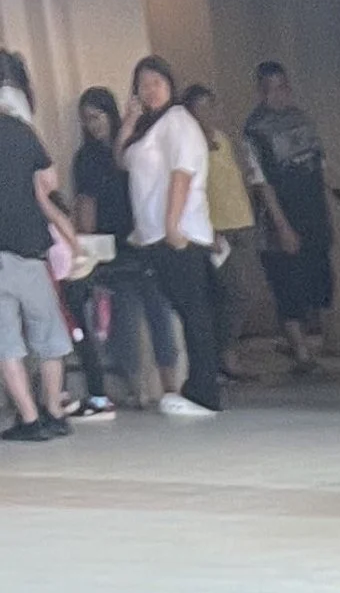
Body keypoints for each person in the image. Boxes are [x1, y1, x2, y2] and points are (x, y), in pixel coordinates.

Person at [119, 55, 217, 418]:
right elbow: (123, 159)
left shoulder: (178, 122)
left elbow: (183, 173)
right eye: (143, 85)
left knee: (194, 313)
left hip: (178, 233)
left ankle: (205, 392)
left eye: (156, 83)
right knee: (185, 310)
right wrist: (128, 121)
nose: (149, 90)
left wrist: (174, 224)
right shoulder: (150, 128)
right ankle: (197, 388)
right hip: (153, 236)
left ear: (170, 85)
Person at [66, 86, 173, 414]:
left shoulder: (129, 146)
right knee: (126, 318)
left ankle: (167, 387)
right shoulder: (87, 157)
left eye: (96, 117)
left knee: (157, 312)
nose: (92, 125)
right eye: (86, 120)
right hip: (113, 246)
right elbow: (86, 203)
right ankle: (137, 388)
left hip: (141, 238)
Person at [0, 43, 73, 441]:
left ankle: (28, 421)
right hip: (30, 250)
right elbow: (49, 182)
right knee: (49, 335)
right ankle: (54, 411)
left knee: (7, 342)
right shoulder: (22, 131)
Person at [241, 56, 331, 373]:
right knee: (287, 283)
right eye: (268, 89)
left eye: (280, 87)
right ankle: (301, 352)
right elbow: (260, 180)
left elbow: (318, 165)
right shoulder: (255, 129)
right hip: (280, 216)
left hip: (312, 212)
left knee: (317, 281)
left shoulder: (302, 120)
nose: (274, 95)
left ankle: (305, 344)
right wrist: (282, 226)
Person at [182, 81, 264, 384]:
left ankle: (225, 353)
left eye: (209, 107)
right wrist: (209, 229)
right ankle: (223, 354)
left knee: (242, 291)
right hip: (218, 228)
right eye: (199, 108)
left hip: (241, 220)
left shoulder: (222, 139)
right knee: (235, 293)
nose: (206, 114)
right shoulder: (190, 145)